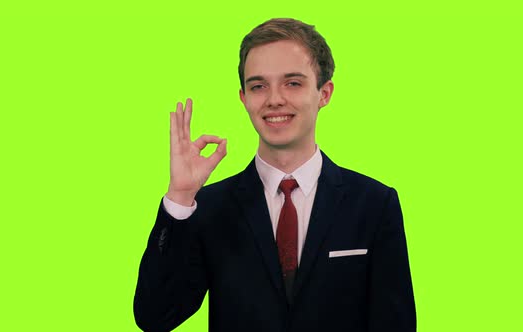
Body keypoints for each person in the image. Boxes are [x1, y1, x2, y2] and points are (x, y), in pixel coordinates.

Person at [134, 18, 416, 332]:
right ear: (243, 98)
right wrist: (180, 197)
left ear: (324, 93)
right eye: (258, 86)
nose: (274, 99)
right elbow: (154, 317)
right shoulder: (210, 208)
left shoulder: (375, 204)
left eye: (292, 83)